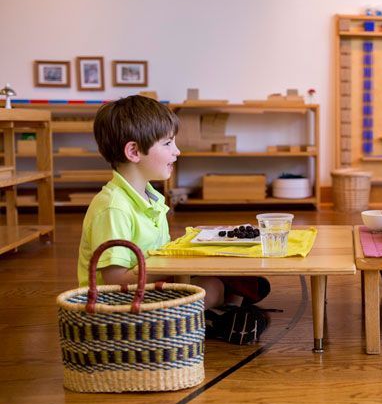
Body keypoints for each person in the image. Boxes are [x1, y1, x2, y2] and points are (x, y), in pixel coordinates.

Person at [76, 95, 269, 314]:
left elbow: (159, 253)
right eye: (168, 143)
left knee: (231, 272)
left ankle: (228, 305)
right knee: (212, 286)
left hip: (148, 287)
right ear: (134, 152)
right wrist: (176, 263)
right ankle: (226, 313)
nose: (177, 151)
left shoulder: (151, 196)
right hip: (122, 304)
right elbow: (115, 280)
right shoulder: (113, 207)